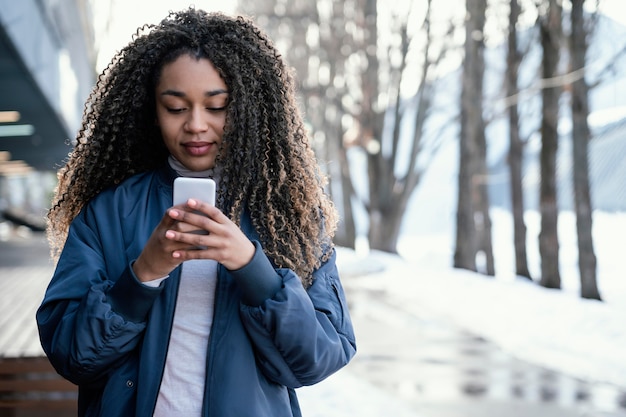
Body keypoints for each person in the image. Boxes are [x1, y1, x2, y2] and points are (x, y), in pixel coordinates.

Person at [36, 8, 356, 417]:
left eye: (217, 106)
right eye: (175, 108)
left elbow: (318, 359)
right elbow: (72, 356)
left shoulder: (287, 215)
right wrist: (142, 276)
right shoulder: (110, 213)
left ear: (246, 109)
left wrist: (251, 268)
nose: (196, 125)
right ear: (152, 111)